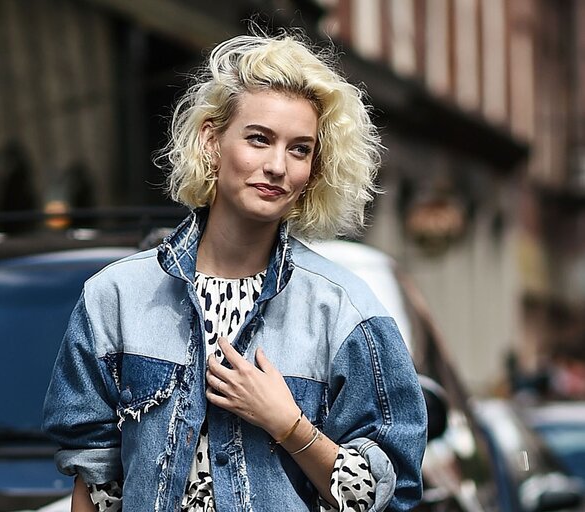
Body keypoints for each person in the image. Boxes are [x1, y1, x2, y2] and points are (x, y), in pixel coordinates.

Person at [43, 29, 427, 512]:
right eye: (259, 139)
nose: (276, 166)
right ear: (211, 140)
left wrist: (289, 425)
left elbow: (385, 496)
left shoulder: (345, 312)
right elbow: (97, 483)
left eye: (299, 149)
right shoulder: (116, 296)